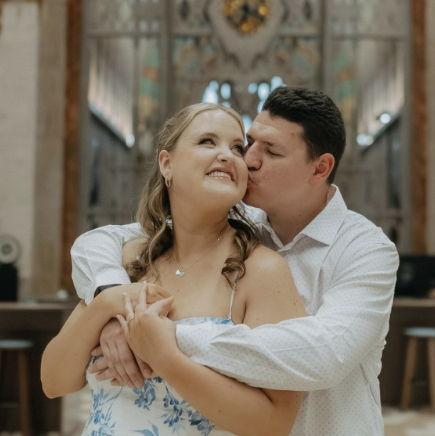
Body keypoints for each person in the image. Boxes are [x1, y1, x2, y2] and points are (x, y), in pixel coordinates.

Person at [71, 86, 399, 435]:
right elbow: (101, 241)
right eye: (249, 144)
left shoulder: (365, 250)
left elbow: (326, 355)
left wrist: (172, 338)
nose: (249, 159)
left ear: (320, 169)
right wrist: (113, 303)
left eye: (271, 151)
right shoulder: (238, 225)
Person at [41, 102, 306, 436]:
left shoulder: (261, 271)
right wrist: (108, 305)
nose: (227, 155)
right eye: (207, 141)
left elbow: (275, 424)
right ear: (167, 163)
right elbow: (55, 381)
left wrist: (165, 357)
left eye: (237, 148)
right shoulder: (125, 261)